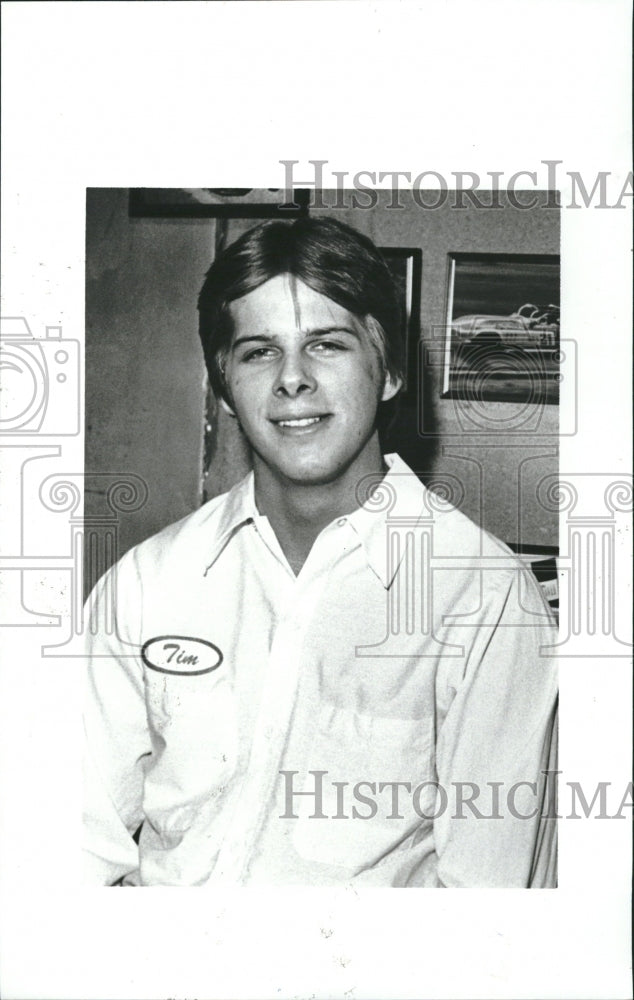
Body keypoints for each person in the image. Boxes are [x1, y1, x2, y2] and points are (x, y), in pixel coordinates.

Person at [83, 216, 558, 887]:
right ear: (223, 385)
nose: (293, 380)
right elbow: (68, 843)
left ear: (389, 369)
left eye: (327, 345)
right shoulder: (146, 581)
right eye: (258, 352)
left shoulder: (486, 598)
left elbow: (491, 907)